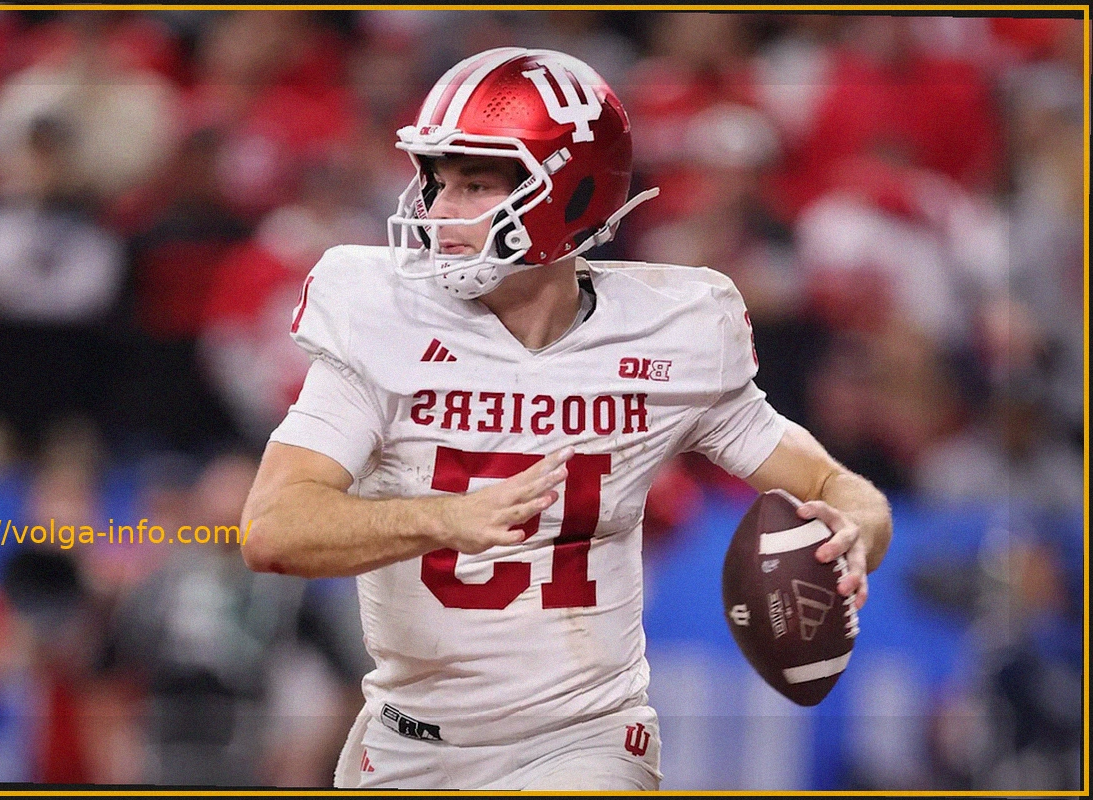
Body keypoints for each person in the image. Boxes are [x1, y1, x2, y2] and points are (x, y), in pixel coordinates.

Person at [240, 46, 892, 791]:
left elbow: (838, 487)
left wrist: (854, 532)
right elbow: (272, 529)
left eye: (474, 184)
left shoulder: (668, 335)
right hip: (405, 740)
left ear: (568, 191)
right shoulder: (381, 318)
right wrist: (443, 519)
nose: (440, 211)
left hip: (582, 740)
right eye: (437, 182)